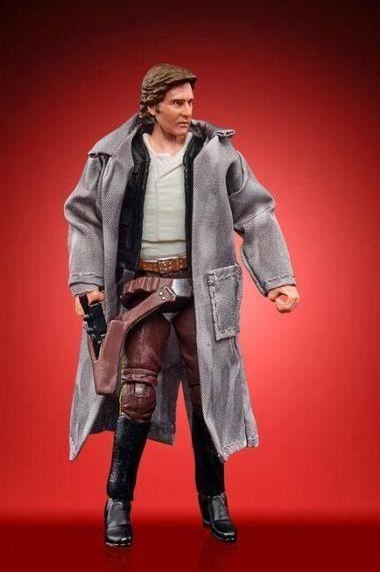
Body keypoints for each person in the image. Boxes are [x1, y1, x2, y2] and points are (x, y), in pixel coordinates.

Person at [64, 63, 299, 546]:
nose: (188, 110)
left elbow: (256, 212)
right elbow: (83, 216)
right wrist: (86, 281)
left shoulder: (216, 155)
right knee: (135, 394)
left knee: (207, 392)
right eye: (177, 103)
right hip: (140, 291)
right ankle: (117, 502)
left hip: (200, 290)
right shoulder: (112, 156)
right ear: (151, 107)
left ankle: (214, 499)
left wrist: (277, 279)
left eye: (191, 101)